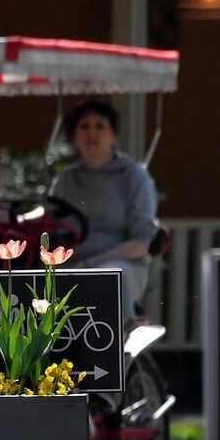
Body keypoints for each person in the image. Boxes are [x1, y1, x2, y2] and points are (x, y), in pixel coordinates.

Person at [48, 97, 159, 311]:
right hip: (71, 264)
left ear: (113, 135)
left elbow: (140, 245)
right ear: (74, 136)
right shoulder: (65, 179)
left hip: (122, 264)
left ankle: (121, 334)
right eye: (84, 126)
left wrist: (90, 264)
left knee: (107, 278)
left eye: (100, 126)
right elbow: (49, 217)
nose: (92, 133)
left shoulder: (134, 176)